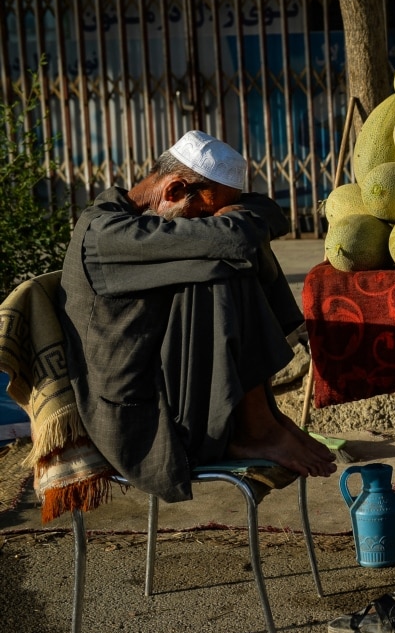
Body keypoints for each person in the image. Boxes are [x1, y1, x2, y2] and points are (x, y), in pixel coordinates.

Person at [59, 130, 336, 503]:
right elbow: (234, 239)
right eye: (205, 215)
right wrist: (226, 223)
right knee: (221, 267)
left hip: (172, 380)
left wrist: (224, 212)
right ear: (173, 191)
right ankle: (255, 428)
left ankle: (261, 422)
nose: (204, 224)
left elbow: (267, 210)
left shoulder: (157, 212)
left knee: (226, 259)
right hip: (140, 417)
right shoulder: (108, 235)